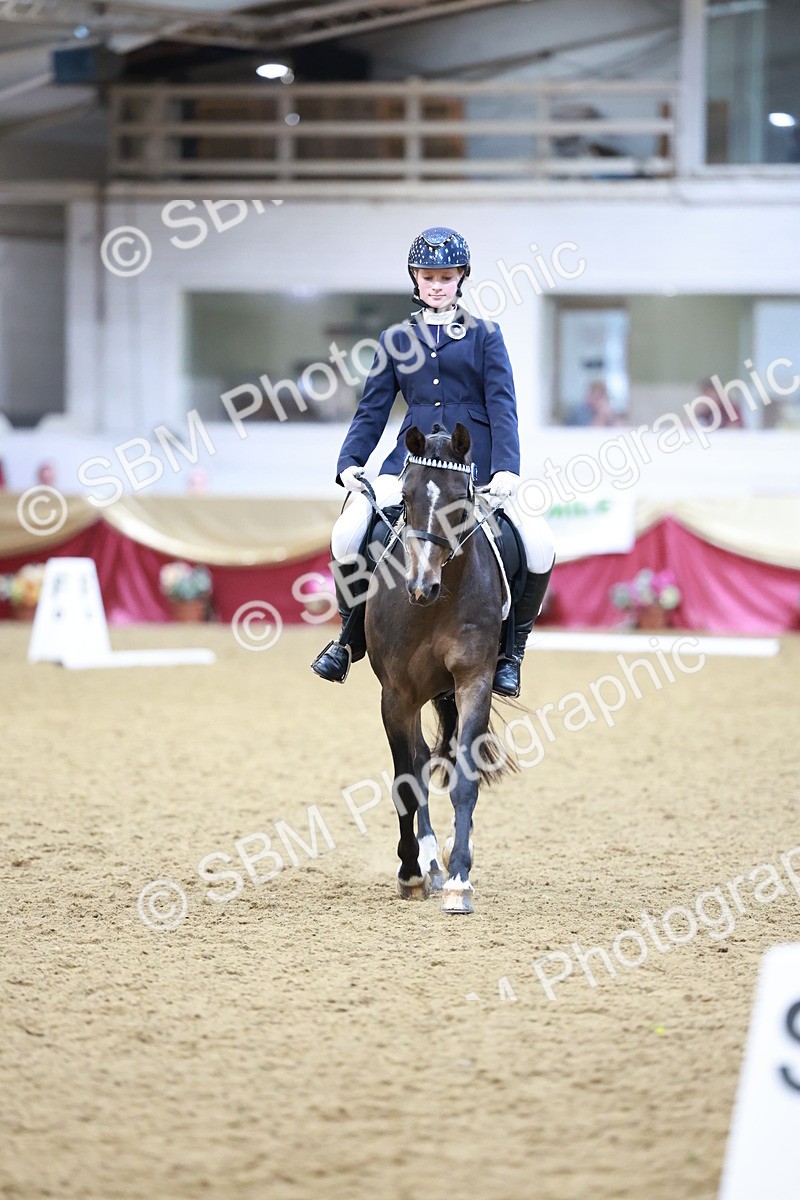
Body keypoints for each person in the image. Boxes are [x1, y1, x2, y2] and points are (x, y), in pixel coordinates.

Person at [310, 226, 555, 698]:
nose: (437, 284)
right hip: (411, 463)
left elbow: (502, 403)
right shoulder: (395, 337)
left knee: (539, 543)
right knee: (346, 533)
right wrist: (350, 461)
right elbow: (373, 408)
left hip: (473, 464)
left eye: (446, 276)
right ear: (415, 279)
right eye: (428, 276)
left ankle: (512, 654)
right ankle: (347, 637)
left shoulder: (485, 335)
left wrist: (507, 467)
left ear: (461, 277)